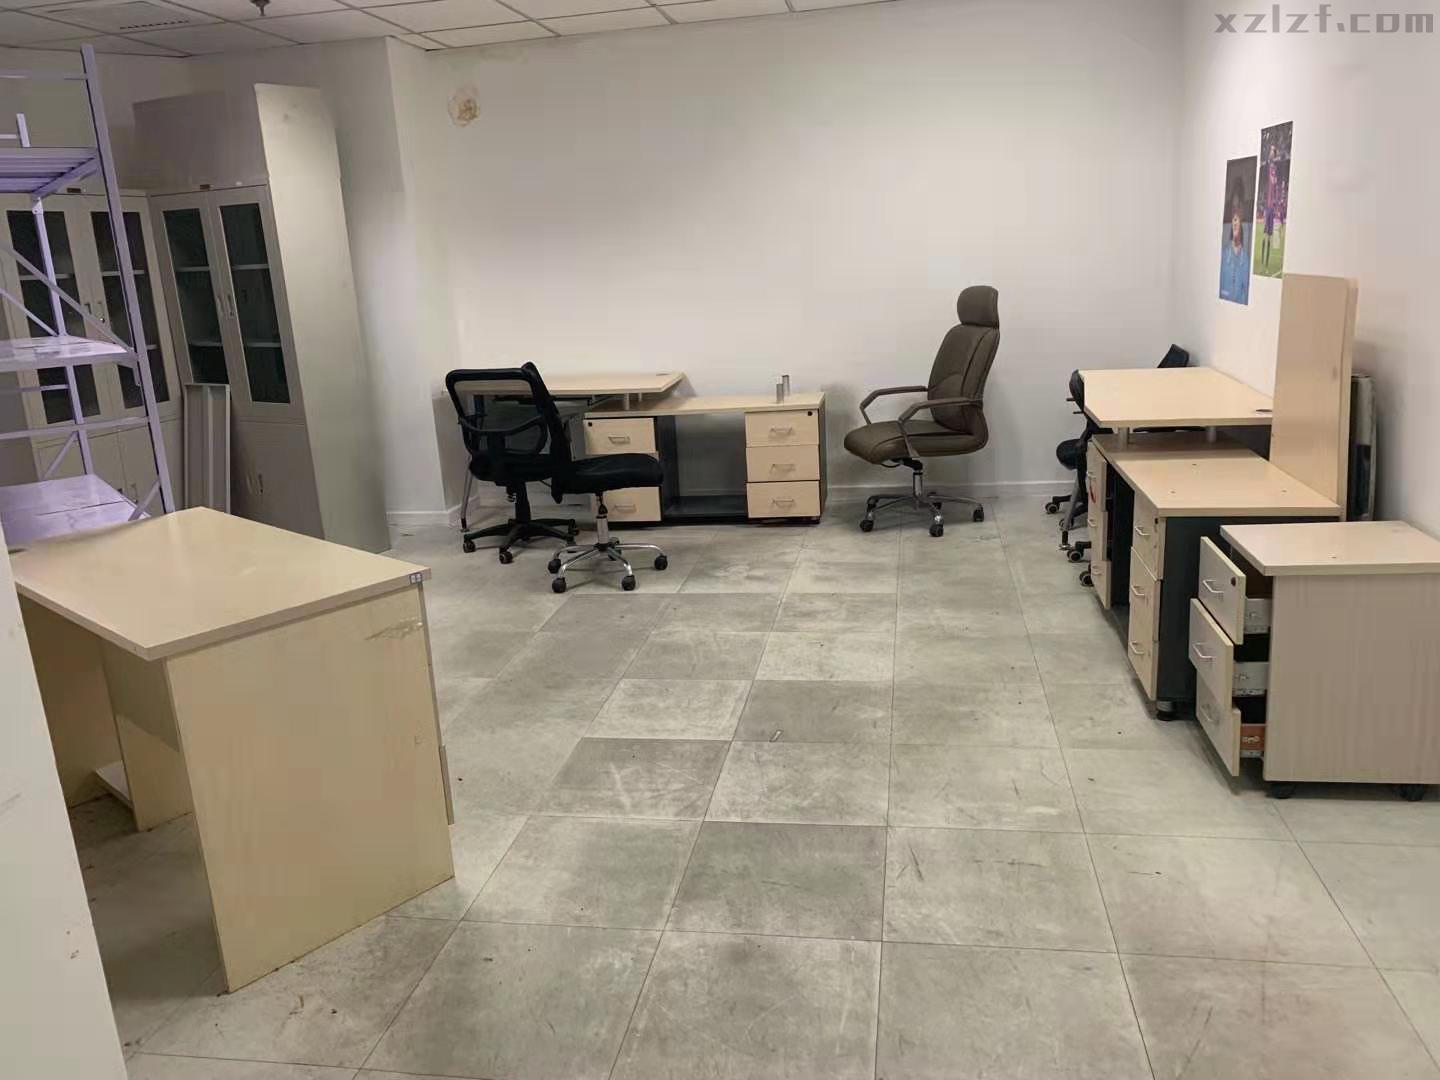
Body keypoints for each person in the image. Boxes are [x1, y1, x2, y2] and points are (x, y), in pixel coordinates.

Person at [1220, 206, 1250, 304]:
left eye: (1238, 225)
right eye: (1234, 225)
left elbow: (1246, 288)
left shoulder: (1245, 259)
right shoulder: (1224, 255)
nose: (1235, 227)